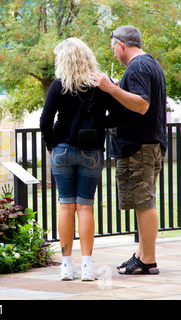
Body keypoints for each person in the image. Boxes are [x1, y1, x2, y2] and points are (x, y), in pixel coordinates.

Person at [40, 38, 121, 281]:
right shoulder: (100, 84)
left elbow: (45, 120)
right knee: (85, 206)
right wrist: (98, 124)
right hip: (92, 152)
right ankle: (87, 266)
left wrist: (51, 146)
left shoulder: (58, 85)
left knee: (65, 206)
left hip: (62, 150)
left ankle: (66, 265)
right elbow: (116, 116)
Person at [92, 26, 167, 275]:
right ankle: (141, 254)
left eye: (113, 46)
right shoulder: (149, 64)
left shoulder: (137, 67)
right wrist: (117, 87)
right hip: (148, 143)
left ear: (121, 44)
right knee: (142, 201)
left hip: (140, 146)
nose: (113, 52)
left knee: (144, 202)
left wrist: (110, 88)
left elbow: (142, 104)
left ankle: (148, 259)